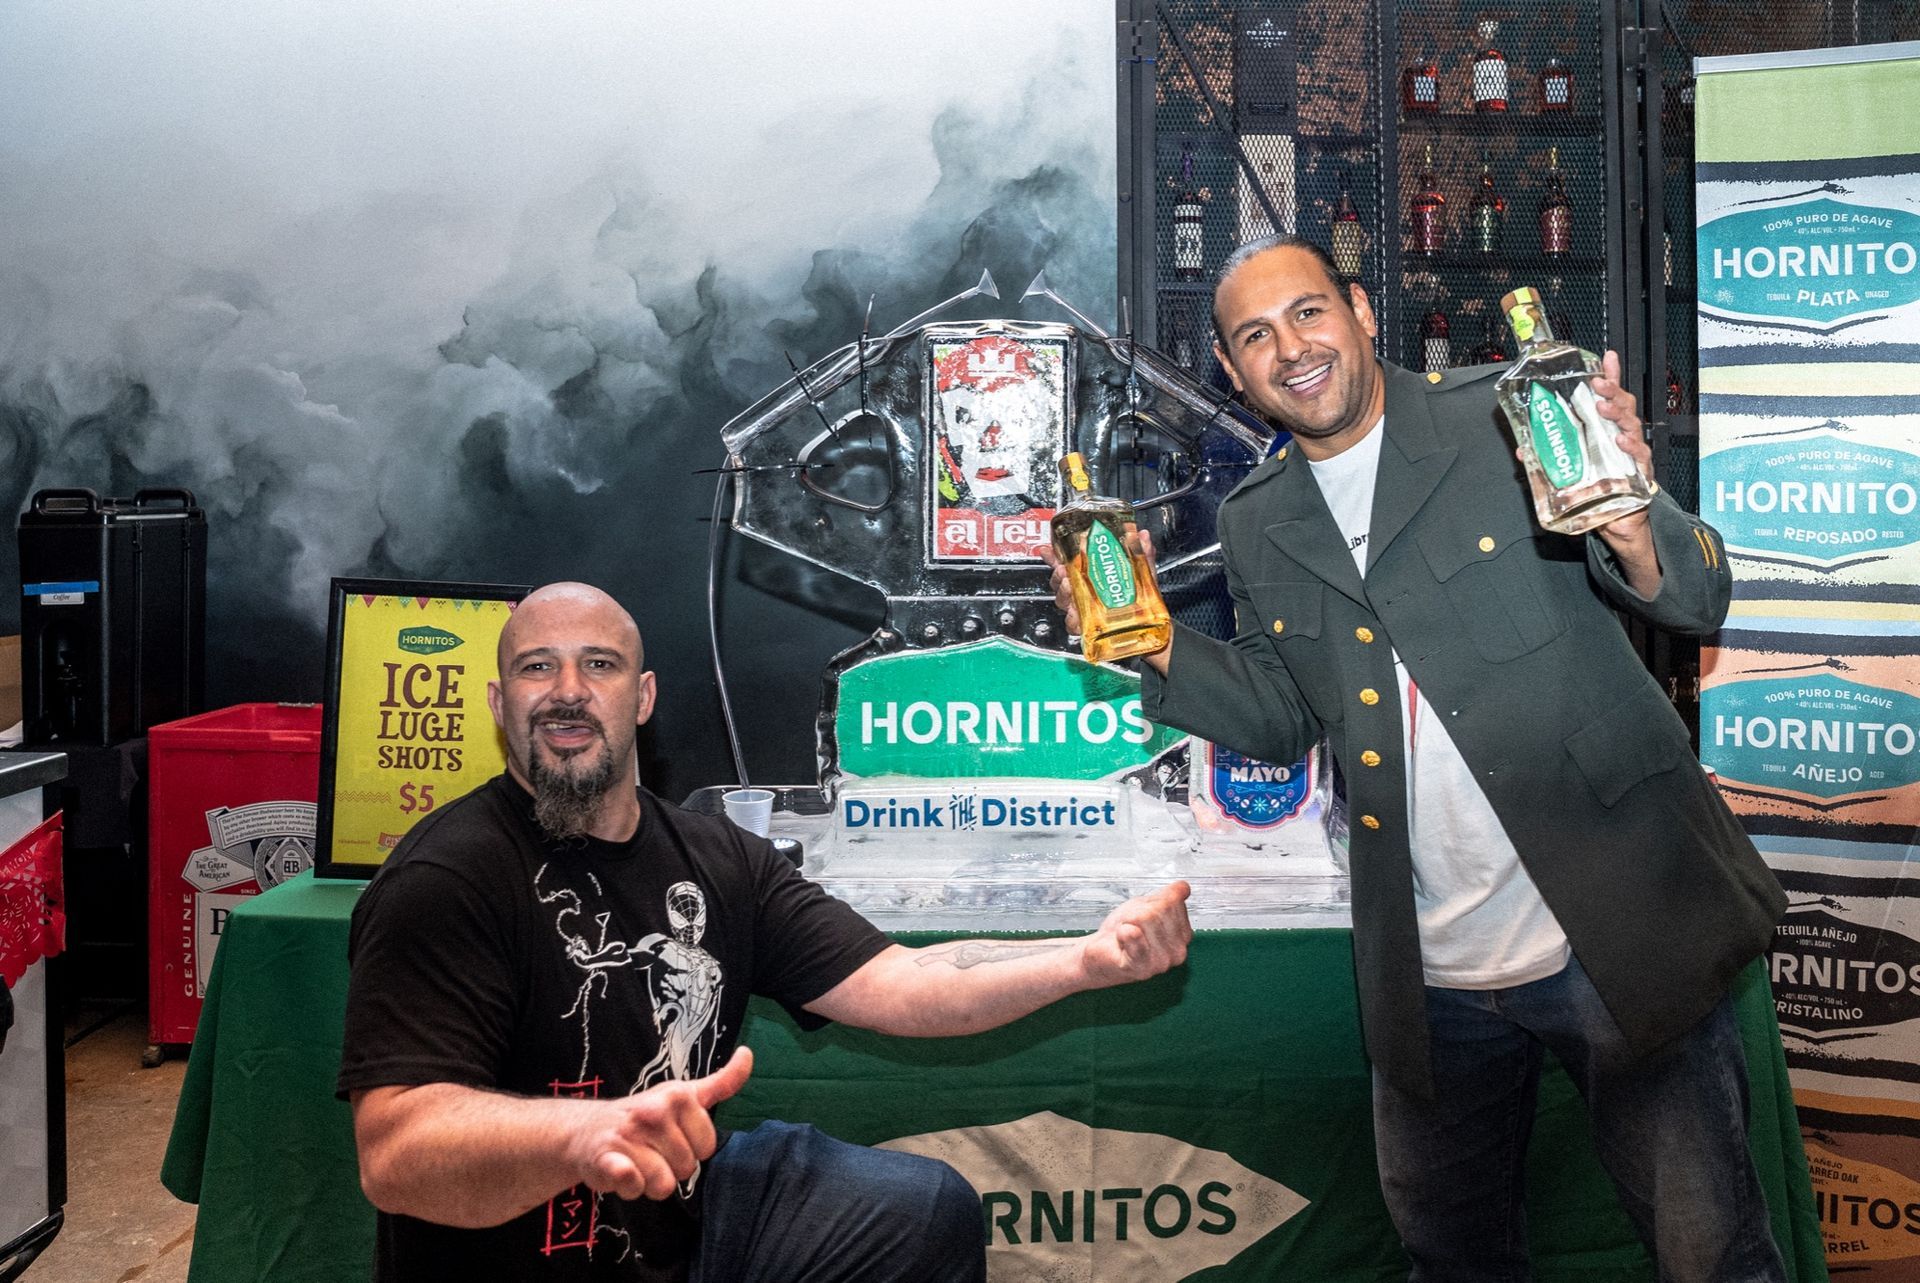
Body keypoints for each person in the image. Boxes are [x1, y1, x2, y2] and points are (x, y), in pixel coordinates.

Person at [1044, 235, 1787, 1280]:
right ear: (1231, 370)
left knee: (1710, 1255)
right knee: (1452, 1258)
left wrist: (1631, 520)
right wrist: (1154, 637)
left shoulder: (1502, 414)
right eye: (1255, 336)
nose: (1290, 349)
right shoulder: (1259, 520)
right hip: (1430, 968)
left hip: (1613, 920)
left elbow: (1696, 596)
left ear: (1358, 309)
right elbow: (1284, 715)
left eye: (1307, 312)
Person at [337, 582, 1192, 1283]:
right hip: (521, 1257)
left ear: (643, 697)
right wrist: (581, 1135)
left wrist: (1083, 959)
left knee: (925, 1209)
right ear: (500, 702)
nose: (568, 688)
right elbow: (396, 1151)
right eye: (537, 666)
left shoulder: (717, 857)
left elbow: (905, 980)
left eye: (599, 663)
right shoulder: (448, 877)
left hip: (682, 1224)